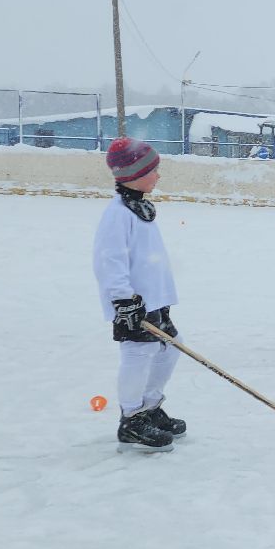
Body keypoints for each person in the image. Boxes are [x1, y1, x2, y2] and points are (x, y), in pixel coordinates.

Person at [91, 137, 185, 453]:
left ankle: (150, 405)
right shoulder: (117, 213)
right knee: (137, 355)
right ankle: (131, 419)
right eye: (153, 170)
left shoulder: (139, 206)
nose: (158, 175)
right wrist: (122, 299)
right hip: (132, 302)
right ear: (134, 174)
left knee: (171, 348)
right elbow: (109, 259)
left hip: (155, 298)